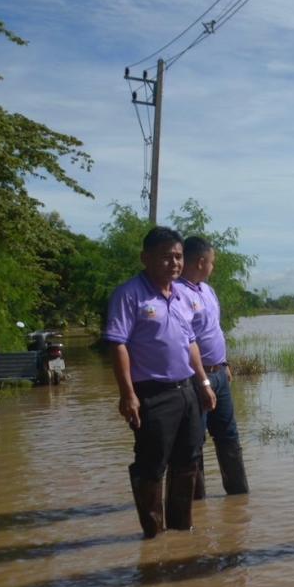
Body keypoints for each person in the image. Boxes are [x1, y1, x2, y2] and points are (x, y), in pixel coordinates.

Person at [106, 226, 217, 538]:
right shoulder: (129, 295)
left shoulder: (182, 295)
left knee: (189, 460)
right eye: (166, 257)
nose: (174, 263)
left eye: (179, 257)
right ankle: (153, 536)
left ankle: (182, 531)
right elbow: (118, 345)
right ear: (145, 258)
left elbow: (191, 343)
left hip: (187, 390)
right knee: (151, 465)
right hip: (152, 394)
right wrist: (128, 394)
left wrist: (204, 383)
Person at [180, 235, 249, 498]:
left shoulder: (207, 290)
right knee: (194, 441)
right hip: (197, 379)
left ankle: (239, 498)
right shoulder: (179, 294)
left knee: (229, 436)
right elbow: (186, 342)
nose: (213, 267)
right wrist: (203, 380)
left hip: (219, 373)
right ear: (200, 261)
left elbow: (214, 330)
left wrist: (225, 364)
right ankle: (196, 504)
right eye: (212, 262)